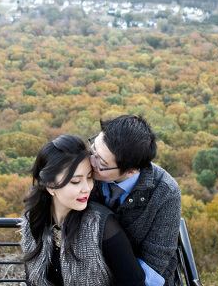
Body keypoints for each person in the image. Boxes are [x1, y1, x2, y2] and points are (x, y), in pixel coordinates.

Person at [20, 134, 146, 286]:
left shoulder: (101, 225)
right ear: (50, 185)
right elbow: (31, 279)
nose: (87, 189)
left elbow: (133, 282)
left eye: (89, 177)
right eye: (75, 181)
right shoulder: (32, 221)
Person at [88, 114, 182, 286]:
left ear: (131, 170)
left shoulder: (165, 193)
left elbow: (154, 264)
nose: (90, 161)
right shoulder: (84, 173)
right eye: (93, 148)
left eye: (100, 161)